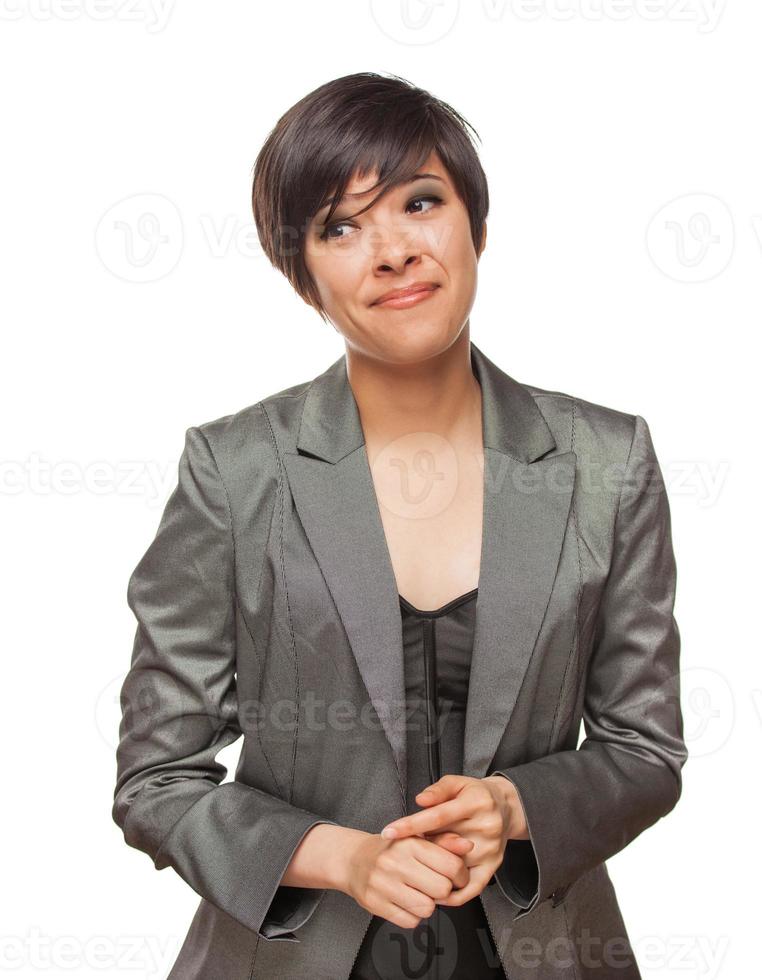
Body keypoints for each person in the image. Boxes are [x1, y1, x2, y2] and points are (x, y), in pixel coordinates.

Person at [113, 71, 688, 980]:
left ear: (478, 227)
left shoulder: (605, 461)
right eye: (339, 227)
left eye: (420, 202)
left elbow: (645, 750)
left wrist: (516, 806)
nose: (390, 251)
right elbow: (157, 780)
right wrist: (341, 857)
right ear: (306, 280)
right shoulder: (234, 471)